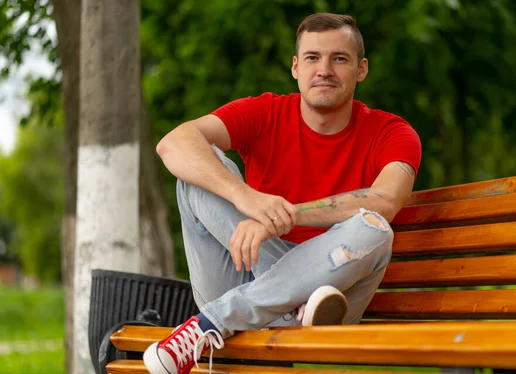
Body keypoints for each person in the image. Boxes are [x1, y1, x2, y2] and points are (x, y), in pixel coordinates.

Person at [143, 12, 421, 374]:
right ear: (295, 67)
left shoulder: (391, 133)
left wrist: (282, 218)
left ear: (361, 69)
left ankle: (209, 326)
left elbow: (384, 200)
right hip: (262, 282)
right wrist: (246, 198)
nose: (324, 69)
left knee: (374, 227)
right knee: (199, 170)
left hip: (333, 291)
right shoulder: (266, 113)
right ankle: (292, 308)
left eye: (339, 58)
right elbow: (173, 144)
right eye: (312, 58)